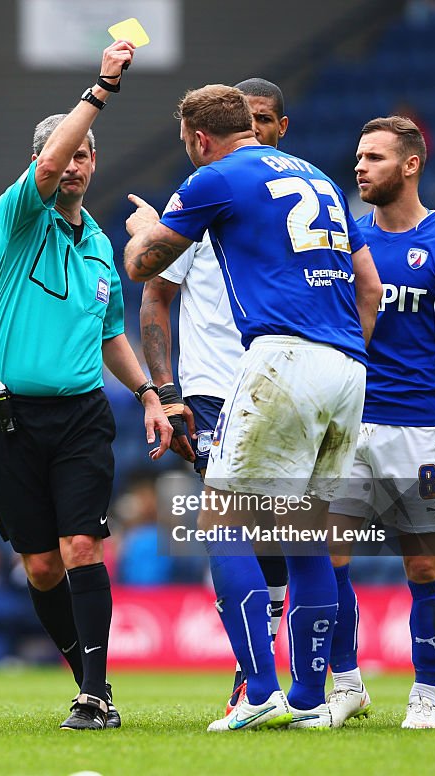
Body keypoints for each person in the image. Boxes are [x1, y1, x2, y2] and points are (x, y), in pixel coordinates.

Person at [124, 84, 382, 731]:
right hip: (348, 366)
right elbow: (370, 286)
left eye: (189, 145)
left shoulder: (218, 176)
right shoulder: (319, 177)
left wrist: (140, 232)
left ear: (199, 139)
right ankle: (309, 698)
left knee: (220, 518)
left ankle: (260, 686)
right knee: (303, 533)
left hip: (282, 359)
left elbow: (142, 267)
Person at [0, 40, 172, 731]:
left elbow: (111, 333)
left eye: (89, 155)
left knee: (82, 547)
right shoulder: (18, 218)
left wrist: (147, 393)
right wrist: (100, 90)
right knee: (40, 567)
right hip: (7, 419)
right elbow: (52, 158)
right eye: (69, 154)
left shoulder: (96, 247)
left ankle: (94, 691)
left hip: (82, 416)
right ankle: (89, 680)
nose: (78, 164)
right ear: (45, 164)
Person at [326, 116, 435, 730]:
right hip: (347, 424)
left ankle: (425, 694)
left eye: (374, 157)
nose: (360, 167)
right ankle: (347, 682)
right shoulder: (346, 241)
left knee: (425, 567)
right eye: (358, 156)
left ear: (410, 165)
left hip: (420, 431)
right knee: (327, 557)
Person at [140, 77, 290, 714]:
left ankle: (280, 683)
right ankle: (259, 679)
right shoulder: (201, 199)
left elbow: (140, 265)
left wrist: (142, 230)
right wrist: (168, 393)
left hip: (280, 385)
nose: (255, 131)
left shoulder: (273, 190)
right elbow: (156, 296)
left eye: (265, 120)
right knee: (243, 526)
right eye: (247, 120)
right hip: (216, 394)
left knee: (275, 535)